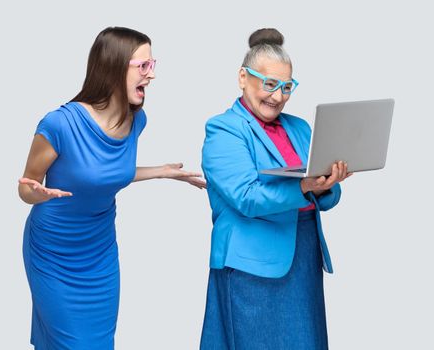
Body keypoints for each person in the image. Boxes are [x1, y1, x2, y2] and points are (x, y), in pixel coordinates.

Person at [18, 27, 205, 349]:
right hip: (54, 250)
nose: (152, 75)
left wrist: (161, 172)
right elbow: (26, 188)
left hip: (100, 250)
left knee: (99, 343)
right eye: (143, 66)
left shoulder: (136, 121)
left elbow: (103, 173)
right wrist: (38, 193)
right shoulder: (59, 124)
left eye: (153, 64)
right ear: (114, 66)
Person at [199, 28, 352, 349]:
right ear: (243, 77)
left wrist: (326, 185)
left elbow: (325, 198)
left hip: (303, 255)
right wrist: (304, 187)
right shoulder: (224, 129)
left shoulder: (300, 127)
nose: (278, 96)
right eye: (269, 84)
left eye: (286, 87)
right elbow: (246, 197)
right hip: (252, 265)